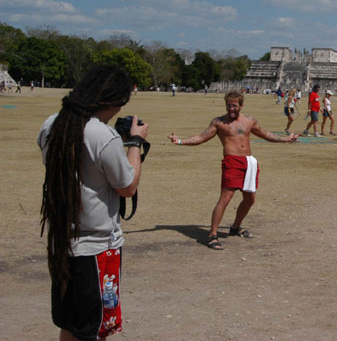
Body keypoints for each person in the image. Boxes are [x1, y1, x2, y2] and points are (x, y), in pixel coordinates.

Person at [38, 65, 148, 341]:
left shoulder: (52, 124)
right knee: (95, 327)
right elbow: (127, 186)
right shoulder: (102, 135)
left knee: (72, 324)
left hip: (63, 240)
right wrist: (135, 143)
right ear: (113, 100)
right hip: (96, 248)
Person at [168, 90, 298, 250]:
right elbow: (201, 137)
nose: (231, 109)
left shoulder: (250, 121)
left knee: (250, 199)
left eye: (234, 106)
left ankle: (235, 227)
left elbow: (265, 134)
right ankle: (212, 235)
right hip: (232, 161)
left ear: (241, 105)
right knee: (225, 199)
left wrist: (286, 139)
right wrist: (180, 141)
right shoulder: (219, 122)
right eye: (229, 106)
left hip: (249, 163)